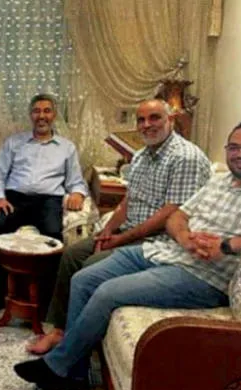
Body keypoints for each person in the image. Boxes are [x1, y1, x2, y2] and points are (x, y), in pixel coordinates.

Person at [14, 121, 241, 390]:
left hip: (202, 275)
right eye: (234, 147)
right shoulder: (219, 182)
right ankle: (76, 372)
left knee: (108, 292)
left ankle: (56, 366)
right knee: (84, 279)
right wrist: (184, 237)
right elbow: (177, 216)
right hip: (169, 251)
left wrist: (227, 245)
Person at [27, 98, 211, 354]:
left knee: (92, 265)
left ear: (170, 120)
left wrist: (120, 240)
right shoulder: (142, 156)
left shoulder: (186, 157)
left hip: (159, 240)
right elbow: (127, 202)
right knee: (71, 255)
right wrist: (107, 231)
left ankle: (80, 341)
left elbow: (170, 214)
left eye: (154, 118)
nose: (147, 125)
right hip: (129, 232)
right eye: (141, 120)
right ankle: (60, 331)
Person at [0, 93, 89, 314]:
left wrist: (78, 194)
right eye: (37, 111)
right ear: (30, 115)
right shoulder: (14, 142)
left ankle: (46, 300)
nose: (42, 116)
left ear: (54, 115)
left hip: (49, 200)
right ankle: (1, 293)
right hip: (15, 198)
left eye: (47, 111)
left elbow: (76, 181)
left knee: (53, 237)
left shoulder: (66, 147)